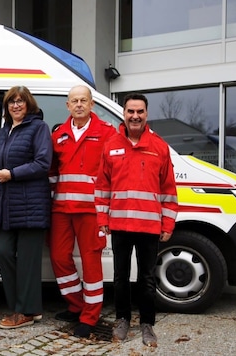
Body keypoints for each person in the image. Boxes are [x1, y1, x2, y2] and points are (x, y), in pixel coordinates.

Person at [95, 92, 178, 347]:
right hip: (119, 224)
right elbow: (102, 186)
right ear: (124, 113)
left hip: (149, 226)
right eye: (130, 111)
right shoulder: (111, 145)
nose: (135, 116)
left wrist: (168, 224)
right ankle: (122, 319)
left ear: (146, 114)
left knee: (147, 278)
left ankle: (147, 324)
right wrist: (102, 217)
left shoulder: (159, 147)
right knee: (120, 277)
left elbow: (169, 190)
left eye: (139, 111)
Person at [0, 85, 52, 329]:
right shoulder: (5, 131)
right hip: (8, 204)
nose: (16, 105)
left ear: (29, 104)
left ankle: (23, 312)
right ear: (7, 107)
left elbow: (42, 162)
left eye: (20, 101)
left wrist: (12, 174)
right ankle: (29, 307)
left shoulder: (38, 128)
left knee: (27, 260)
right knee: (3, 251)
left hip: (31, 204)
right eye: (11, 102)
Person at [49, 85, 117, 338]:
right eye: (74, 101)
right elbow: (52, 173)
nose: (79, 104)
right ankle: (76, 305)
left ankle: (90, 316)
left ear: (92, 105)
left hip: (91, 210)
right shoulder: (59, 136)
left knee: (91, 263)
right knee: (58, 257)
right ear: (68, 106)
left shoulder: (107, 133)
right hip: (62, 209)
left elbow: (113, 173)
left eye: (83, 100)